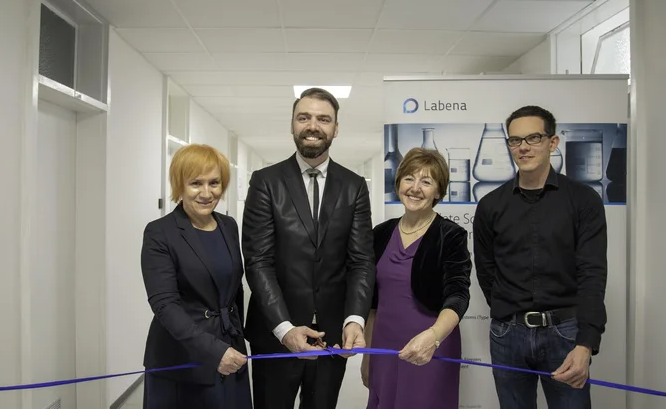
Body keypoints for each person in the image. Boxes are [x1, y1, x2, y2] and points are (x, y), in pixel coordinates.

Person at [242, 87, 377, 409]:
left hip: (332, 333)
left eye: (323, 119)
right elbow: (258, 261)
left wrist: (355, 320)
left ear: (335, 128)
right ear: (292, 124)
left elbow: (361, 261)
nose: (313, 125)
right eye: (304, 117)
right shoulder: (266, 182)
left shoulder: (354, 186)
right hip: (277, 333)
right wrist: (285, 329)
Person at [473, 106, 608, 409]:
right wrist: (507, 310)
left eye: (533, 138)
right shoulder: (491, 206)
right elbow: (486, 270)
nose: (523, 147)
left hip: (565, 334)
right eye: (515, 140)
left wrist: (585, 343)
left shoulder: (583, 200)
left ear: (553, 142)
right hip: (508, 335)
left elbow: (592, 273)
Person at [140, 144, 252, 409]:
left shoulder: (228, 226)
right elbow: (165, 305)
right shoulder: (160, 232)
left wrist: (238, 337)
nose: (206, 193)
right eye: (195, 183)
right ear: (179, 184)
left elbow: (233, 290)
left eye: (214, 183)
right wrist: (214, 351)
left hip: (230, 350)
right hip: (183, 359)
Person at [362, 147, 473, 409]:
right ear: (399, 182)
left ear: (438, 191)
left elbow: (458, 295)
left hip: (430, 348)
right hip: (384, 347)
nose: (415, 188)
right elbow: (373, 304)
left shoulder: (450, 235)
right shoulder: (380, 233)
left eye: (426, 181)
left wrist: (433, 337)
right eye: (409, 178)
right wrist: (368, 356)